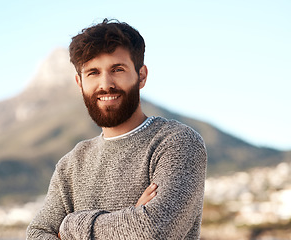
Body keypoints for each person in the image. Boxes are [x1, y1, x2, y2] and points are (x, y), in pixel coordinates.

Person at [27, 18, 207, 240]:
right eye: (93, 72)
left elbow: (153, 231)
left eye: (117, 69)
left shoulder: (176, 142)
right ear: (79, 82)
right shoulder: (71, 165)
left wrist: (69, 226)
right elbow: (36, 234)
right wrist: (131, 219)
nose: (105, 84)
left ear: (141, 76)